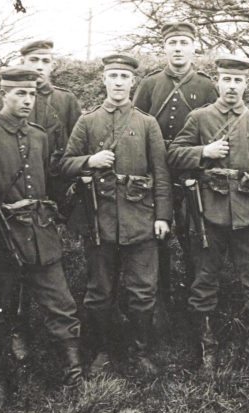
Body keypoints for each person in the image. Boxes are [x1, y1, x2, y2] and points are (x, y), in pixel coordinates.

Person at [167, 54, 249, 380]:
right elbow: (173, 155)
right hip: (209, 215)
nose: (232, 86)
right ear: (217, 82)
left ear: (246, 84)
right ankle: (208, 351)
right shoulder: (199, 117)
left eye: (238, 80)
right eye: (227, 80)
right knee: (204, 282)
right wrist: (203, 152)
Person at [0, 67, 84, 407]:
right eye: (19, 94)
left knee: (61, 304)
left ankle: (73, 374)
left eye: (31, 94)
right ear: (3, 95)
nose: (27, 100)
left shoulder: (38, 136)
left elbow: (49, 182)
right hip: (2, 237)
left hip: (40, 233)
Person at [61, 54, 172, 377]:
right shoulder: (88, 121)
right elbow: (64, 163)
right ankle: (102, 352)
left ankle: (140, 352)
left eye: (125, 76)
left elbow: (161, 173)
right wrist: (89, 161)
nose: (119, 82)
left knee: (143, 291)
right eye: (113, 76)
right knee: (99, 292)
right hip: (100, 219)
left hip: (141, 218)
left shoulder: (146, 123)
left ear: (133, 82)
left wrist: (162, 216)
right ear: (104, 80)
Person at [0, 40, 82, 361]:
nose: (40, 66)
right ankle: (15, 337)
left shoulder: (63, 103)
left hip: (48, 200)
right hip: (10, 210)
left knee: (52, 280)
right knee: (6, 284)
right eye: (34, 60)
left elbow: (71, 149)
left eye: (45, 60)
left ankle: (68, 359)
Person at [133, 22, 218, 304]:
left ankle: (194, 297)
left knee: (194, 233)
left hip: (191, 170)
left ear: (194, 47)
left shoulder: (206, 85)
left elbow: (215, 128)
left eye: (184, 42)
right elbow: (135, 125)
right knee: (156, 233)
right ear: (164, 47)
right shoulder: (150, 83)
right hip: (155, 168)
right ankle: (160, 297)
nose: (178, 48)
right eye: (172, 43)